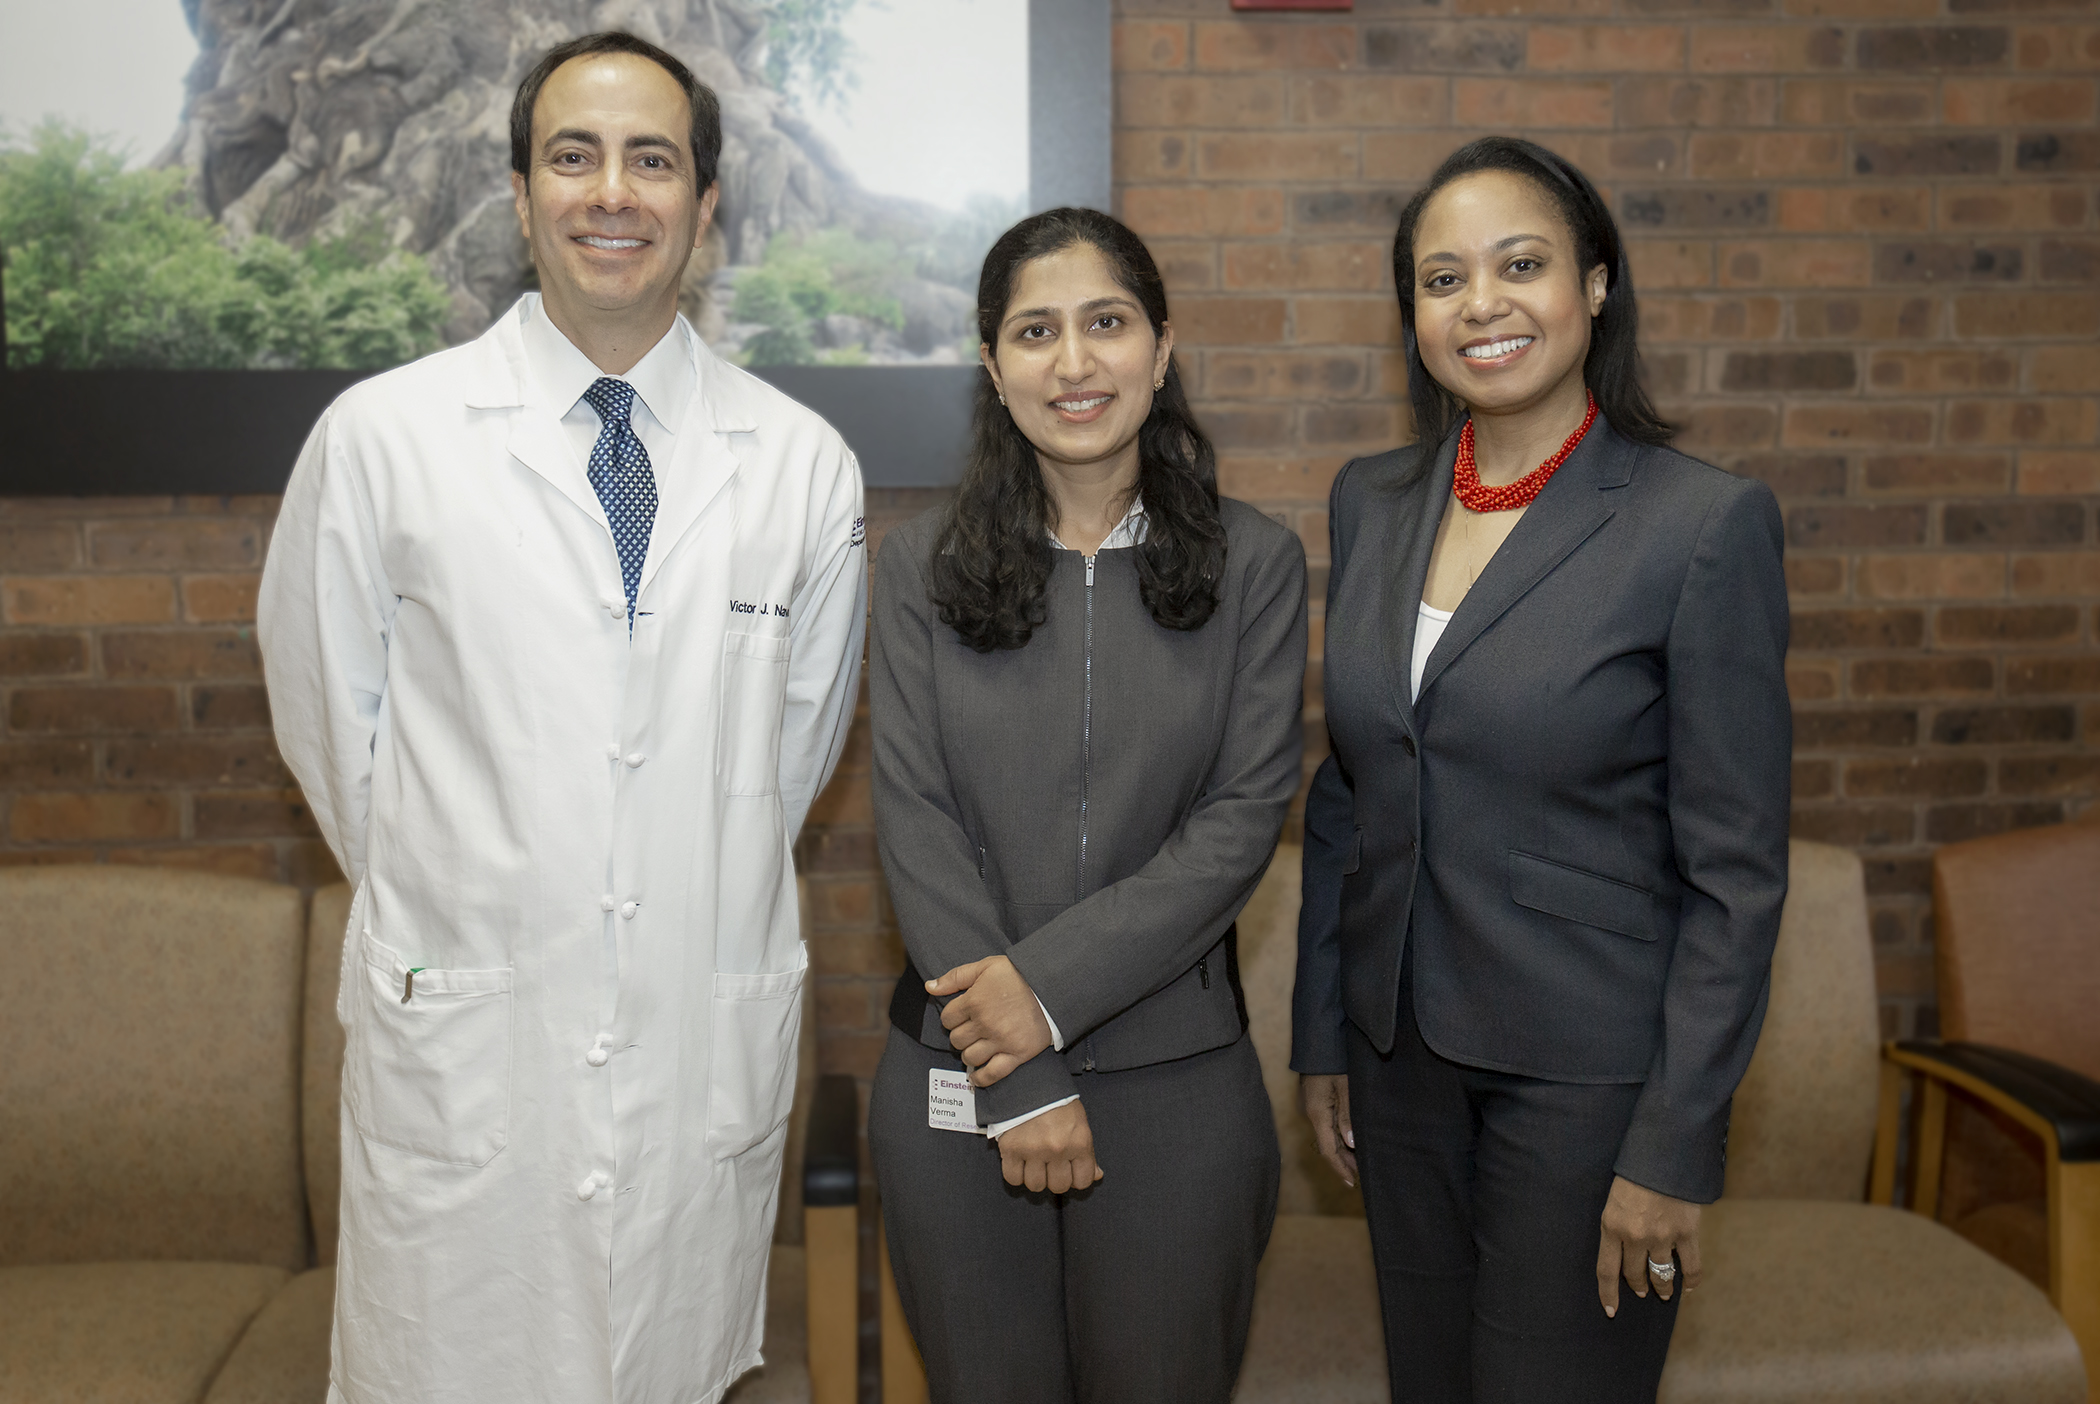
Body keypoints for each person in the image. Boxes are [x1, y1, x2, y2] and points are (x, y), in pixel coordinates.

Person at [258, 32, 866, 1404]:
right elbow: (332, 735)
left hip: (686, 1058)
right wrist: (477, 889)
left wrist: (639, 867)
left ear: (706, 204)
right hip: (471, 1059)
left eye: (653, 160)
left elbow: (781, 767)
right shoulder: (384, 439)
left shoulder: (800, 470)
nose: (613, 192)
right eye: (573, 156)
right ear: (521, 193)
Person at [1291, 135, 1791, 1402]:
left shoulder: (1700, 525)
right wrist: (1324, 1039)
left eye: (1521, 265)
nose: (1483, 305)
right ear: (1412, 314)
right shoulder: (1373, 500)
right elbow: (1351, 788)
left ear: (1599, 284)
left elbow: (1736, 875)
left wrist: (1677, 1145)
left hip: (1587, 1083)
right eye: (1442, 278)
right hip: (1399, 1066)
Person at [867, 207, 1305, 1403]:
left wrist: (1041, 997)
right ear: (993, 366)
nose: (1074, 363)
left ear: (1161, 350)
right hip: (958, 1089)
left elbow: (1239, 819)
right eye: (1036, 331)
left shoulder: (1256, 565)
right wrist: (1020, 1068)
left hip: (1178, 1092)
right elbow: (913, 816)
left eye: (1106, 324)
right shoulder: (913, 569)